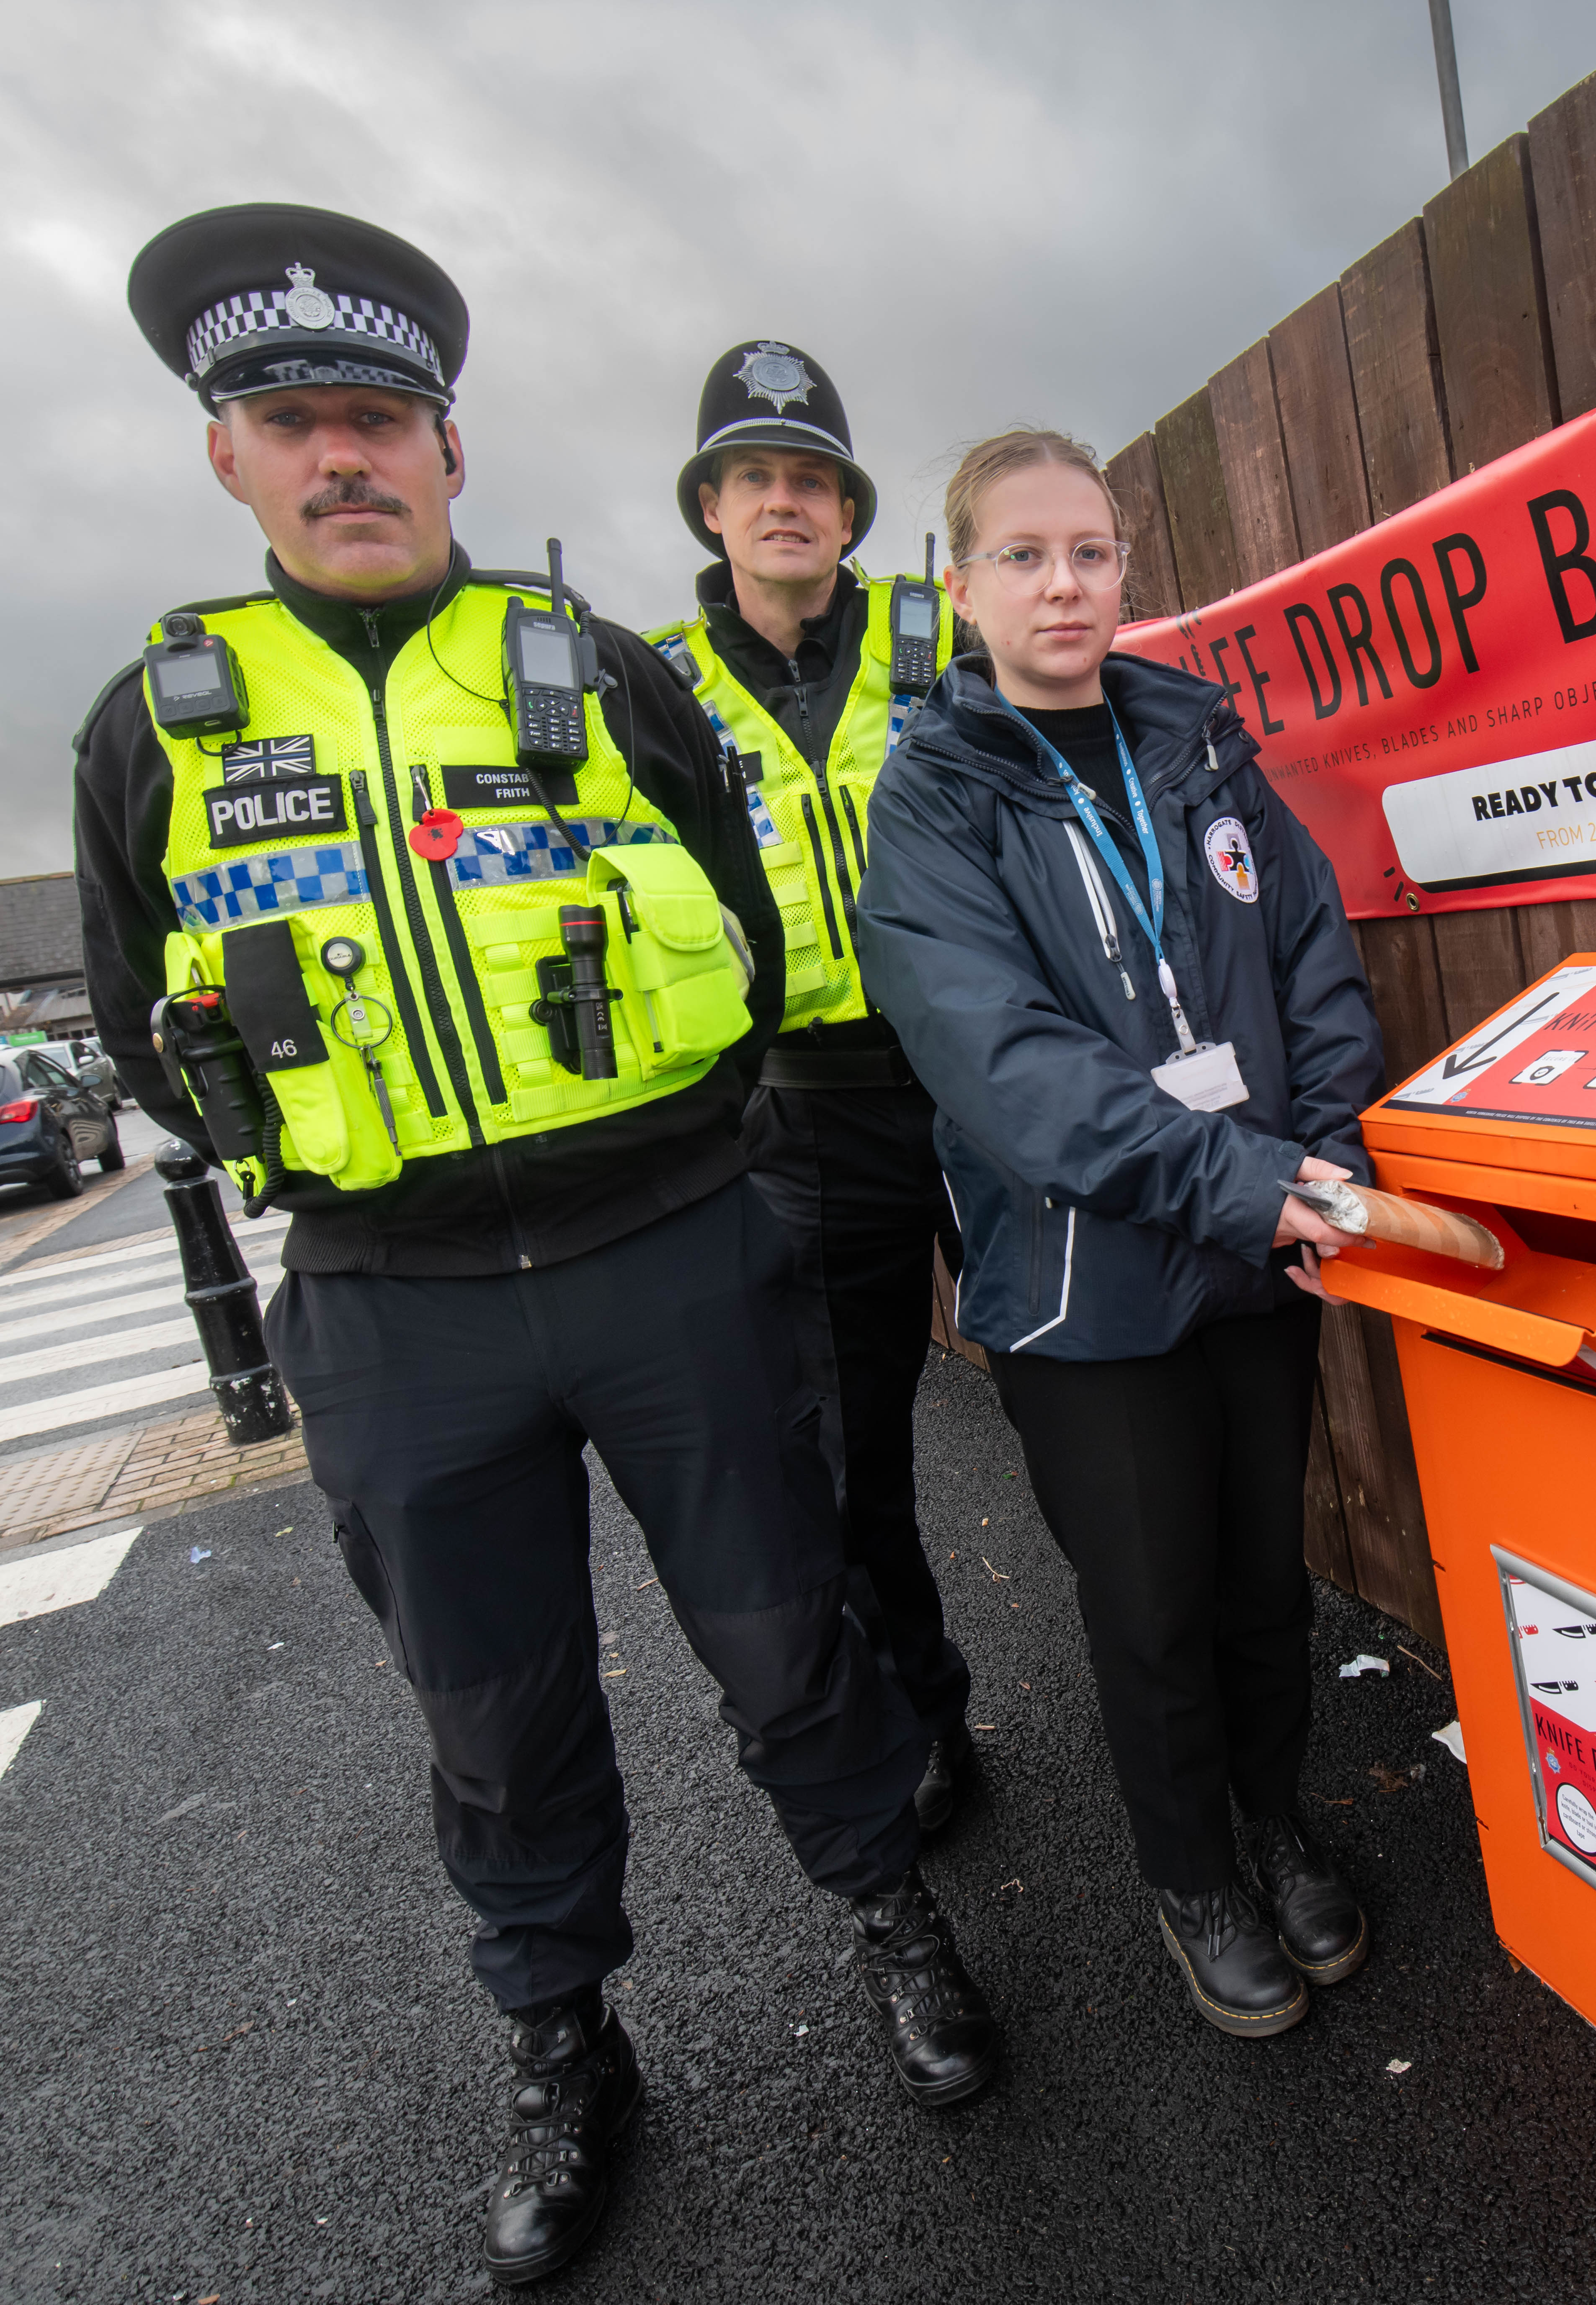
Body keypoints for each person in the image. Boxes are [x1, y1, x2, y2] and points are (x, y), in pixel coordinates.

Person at [72, 205, 998, 2290]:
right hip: (392, 1303)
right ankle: (566, 2039)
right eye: (293, 423)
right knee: (492, 1705)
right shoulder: (159, 727)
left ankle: (893, 1914)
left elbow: (748, 950)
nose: (344, 459)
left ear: (453, 447)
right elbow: (148, 1020)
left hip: (666, 1242)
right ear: (230, 457)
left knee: (786, 1627)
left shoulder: (596, 673)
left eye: (380, 418)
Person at [857, 430, 1386, 2037]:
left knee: (1262, 1586)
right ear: (962, 587)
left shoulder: (1202, 751)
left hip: (1259, 1247)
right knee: (1148, 1606)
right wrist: (1254, 1185)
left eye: (1087, 551)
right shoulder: (935, 798)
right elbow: (1011, 1072)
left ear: (1126, 569)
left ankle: (1272, 1821)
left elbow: (1310, 958)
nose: (1063, 582)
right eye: (1022, 556)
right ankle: (1191, 1876)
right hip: (1087, 1290)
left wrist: (1329, 1154)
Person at [645, 344, 972, 1832]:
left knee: (1093, 1402)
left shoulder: (944, 637)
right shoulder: (643, 686)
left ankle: (1172, 1734)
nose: (787, 501)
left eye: (814, 479)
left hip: (983, 1068)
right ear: (711, 506)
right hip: (801, 1106)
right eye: (755, 476)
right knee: (852, 1465)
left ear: (848, 510)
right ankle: (925, 1718)